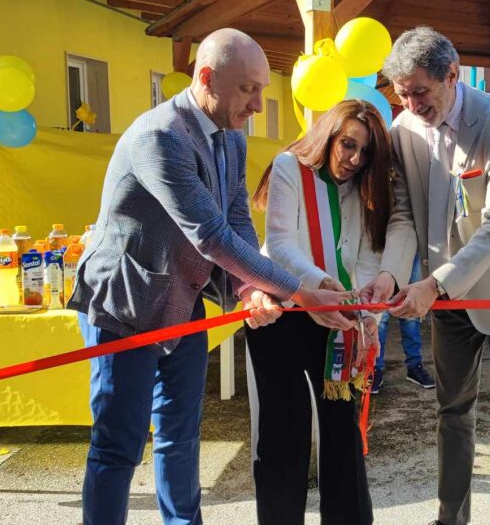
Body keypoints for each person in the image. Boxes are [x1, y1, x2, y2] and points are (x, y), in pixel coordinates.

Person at [67, 28, 351, 525]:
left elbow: (239, 221)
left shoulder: (233, 137)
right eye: (248, 89)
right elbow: (212, 236)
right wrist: (298, 292)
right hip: (123, 306)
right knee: (119, 445)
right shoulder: (161, 136)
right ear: (206, 78)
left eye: (262, 88)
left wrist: (253, 287)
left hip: (183, 301)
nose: (259, 104)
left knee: (180, 435)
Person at [359, 26, 490, 525]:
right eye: (401, 94)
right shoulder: (401, 131)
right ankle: (450, 518)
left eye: (420, 92)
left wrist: (436, 282)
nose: (410, 104)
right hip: (442, 299)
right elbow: (402, 216)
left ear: (453, 73)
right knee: (451, 414)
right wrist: (390, 275)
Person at [246, 99, 390, 524]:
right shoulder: (289, 167)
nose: (354, 159)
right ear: (329, 134)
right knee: (283, 434)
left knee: (344, 434)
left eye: (365, 152)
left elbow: (368, 255)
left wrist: (367, 316)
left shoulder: (366, 183)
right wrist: (322, 287)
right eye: (348, 144)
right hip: (285, 313)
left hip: (341, 321)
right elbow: (280, 246)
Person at [371, 256, 435, 394]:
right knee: (379, 317)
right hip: (380, 252)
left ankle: (414, 366)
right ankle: (374, 369)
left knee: (410, 313)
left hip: (412, 254)